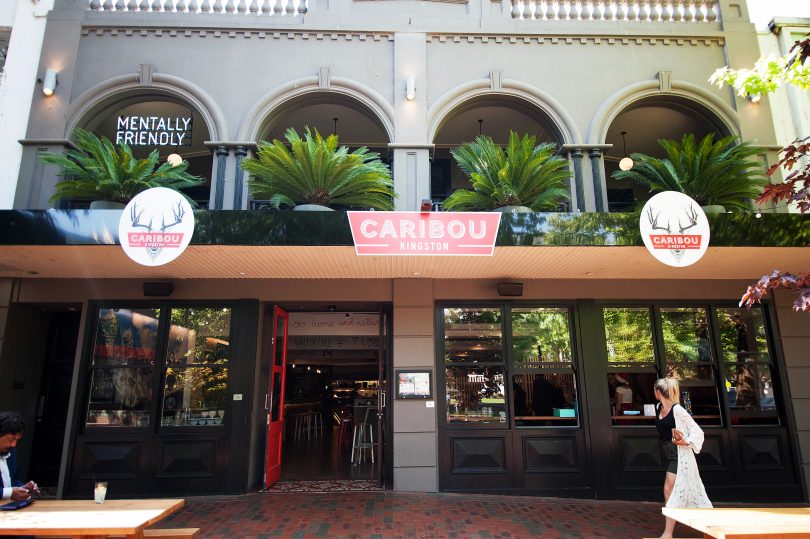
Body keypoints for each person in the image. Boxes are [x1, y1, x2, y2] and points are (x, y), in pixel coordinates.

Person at [653, 377, 711, 539]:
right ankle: (706, 527)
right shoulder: (658, 407)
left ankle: (668, 533)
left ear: (658, 392)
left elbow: (697, 431)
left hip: (679, 455)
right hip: (668, 454)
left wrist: (685, 441)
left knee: (668, 490)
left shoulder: (677, 410)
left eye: (654, 391)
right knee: (682, 492)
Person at [0, 411, 39, 501]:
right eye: (10, 440)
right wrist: (9, 493)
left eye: (17, 440)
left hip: (8, 507)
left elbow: (13, 480)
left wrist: (23, 488)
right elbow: (8, 491)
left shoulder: (11, 451)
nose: (14, 444)